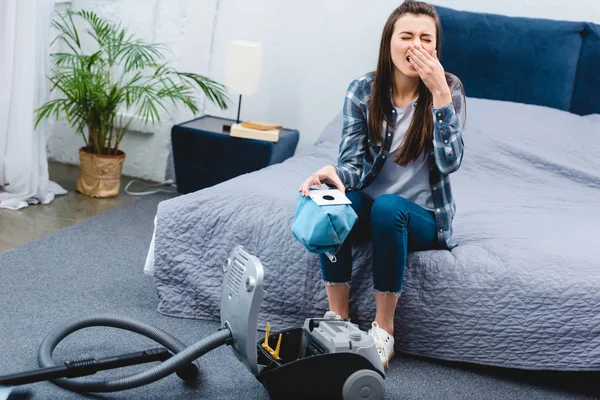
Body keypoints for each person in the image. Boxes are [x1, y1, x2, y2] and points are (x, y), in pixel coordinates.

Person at [298, 0, 466, 368]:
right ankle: (337, 319)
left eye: (426, 38)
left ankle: (384, 330)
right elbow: (353, 165)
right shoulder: (362, 90)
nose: (416, 45)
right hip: (370, 209)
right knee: (333, 201)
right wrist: (334, 175)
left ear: (436, 48)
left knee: (390, 208)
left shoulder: (448, 89)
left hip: (421, 217)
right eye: (406, 35)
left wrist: (439, 96)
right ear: (388, 42)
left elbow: (450, 162)